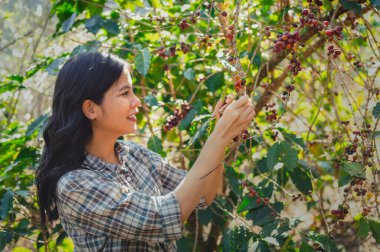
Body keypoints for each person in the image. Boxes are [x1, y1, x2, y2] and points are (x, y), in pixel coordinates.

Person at [35, 52, 255, 251]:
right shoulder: (75, 184)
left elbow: (203, 195)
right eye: (125, 93)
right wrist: (218, 137)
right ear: (91, 108)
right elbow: (166, 216)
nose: (137, 101)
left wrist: (219, 137)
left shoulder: (136, 155)